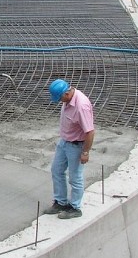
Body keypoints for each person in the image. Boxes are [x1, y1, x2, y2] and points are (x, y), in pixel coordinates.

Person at [43, 79, 96, 220]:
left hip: (77, 146)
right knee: (57, 170)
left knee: (75, 177)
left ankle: (75, 207)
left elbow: (90, 132)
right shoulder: (67, 100)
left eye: (60, 98)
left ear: (66, 93)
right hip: (65, 142)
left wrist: (85, 152)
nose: (60, 101)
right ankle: (61, 203)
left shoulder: (81, 106)